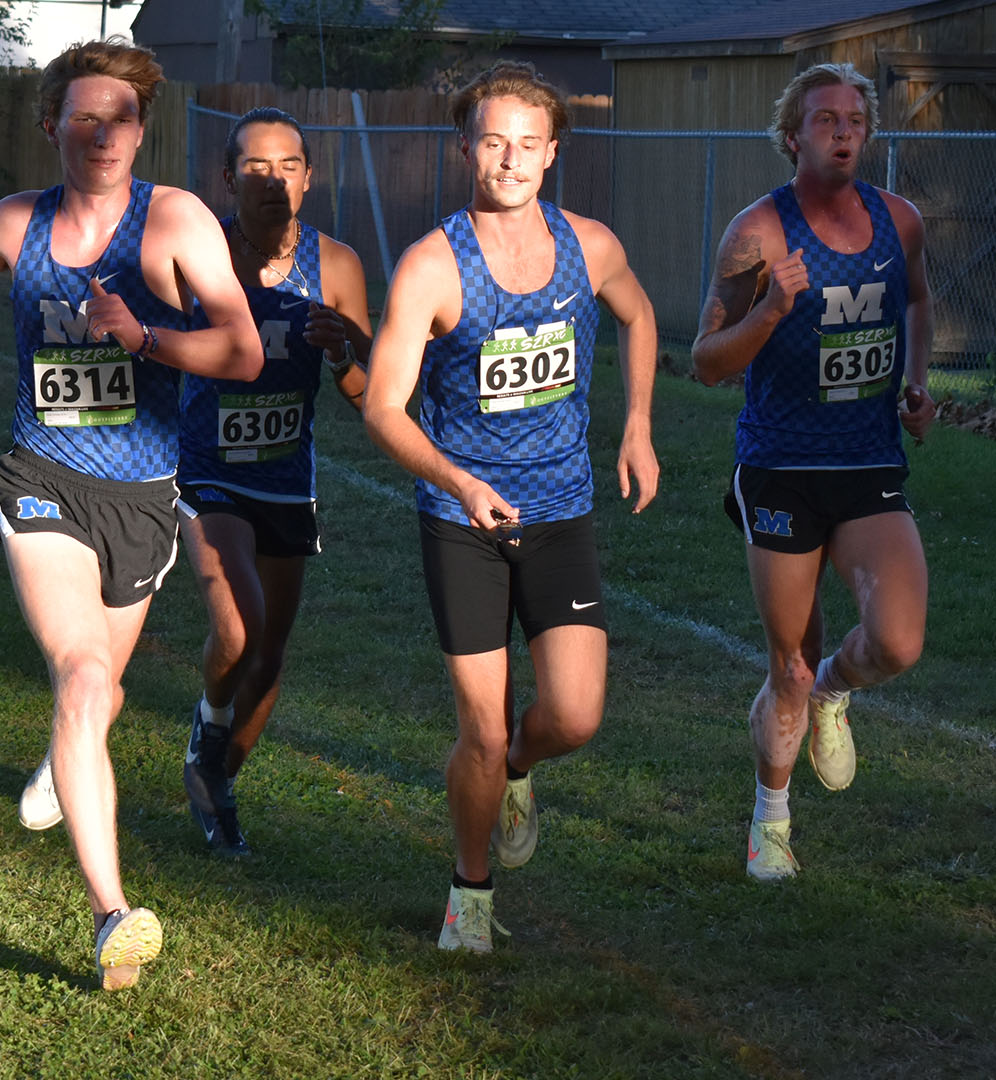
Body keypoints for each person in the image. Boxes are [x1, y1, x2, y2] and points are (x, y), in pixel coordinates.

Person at [0, 39, 262, 990]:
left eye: (121, 119)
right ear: (52, 127)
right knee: (80, 675)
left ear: (141, 132)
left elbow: (242, 352)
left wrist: (145, 337)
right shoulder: (15, 222)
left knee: (100, 695)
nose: (104, 134)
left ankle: (61, 760)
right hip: (42, 476)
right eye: (84, 117)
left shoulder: (176, 222)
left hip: (144, 497)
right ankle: (113, 914)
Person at [364, 61, 659, 952]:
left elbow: (640, 317)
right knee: (481, 732)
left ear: (552, 153)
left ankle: (521, 770)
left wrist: (637, 426)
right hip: (464, 522)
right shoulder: (431, 265)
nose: (511, 160)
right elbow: (382, 407)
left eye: (528, 145)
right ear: (467, 149)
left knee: (574, 715)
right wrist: (458, 481)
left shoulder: (590, 246)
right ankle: (471, 891)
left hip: (559, 509)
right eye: (494, 142)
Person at [690, 62, 936, 881]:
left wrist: (918, 384)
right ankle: (771, 820)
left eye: (854, 121)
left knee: (897, 642)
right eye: (825, 119)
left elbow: (917, 300)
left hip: (867, 460)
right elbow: (706, 362)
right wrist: (770, 310)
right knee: (787, 663)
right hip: (781, 467)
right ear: (793, 136)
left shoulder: (900, 220)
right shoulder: (759, 232)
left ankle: (836, 689)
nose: (842, 132)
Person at [177, 107, 371, 857]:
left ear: (309, 178)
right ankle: (208, 727)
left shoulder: (338, 265)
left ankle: (217, 780)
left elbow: (369, 393)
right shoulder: (200, 254)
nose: (273, 179)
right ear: (228, 179)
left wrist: (342, 353)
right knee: (240, 624)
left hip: (287, 477)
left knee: (269, 653)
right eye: (255, 166)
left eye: (288, 165)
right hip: (208, 469)